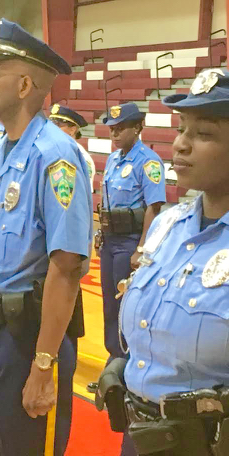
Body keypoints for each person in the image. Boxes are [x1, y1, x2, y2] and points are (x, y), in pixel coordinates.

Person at [0, 18, 92, 456]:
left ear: (23, 86)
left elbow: (67, 265)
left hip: (23, 341)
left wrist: (43, 364)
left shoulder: (55, 156)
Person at [95, 69, 229, 456]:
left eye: (204, 134)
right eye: (182, 129)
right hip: (140, 439)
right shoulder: (166, 227)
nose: (181, 145)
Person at [97, 102, 166, 363]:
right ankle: (114, 359)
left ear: (138, 128)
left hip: (130, 241)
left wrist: (141, 248)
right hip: (110, 239)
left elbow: (154, 207)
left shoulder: (148, 161)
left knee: (126, 304)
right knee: (109, 303)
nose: (115, 134)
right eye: (112, 129)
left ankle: (128, 360)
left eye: (121, 128)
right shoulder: (114, 159)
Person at [49, 104, 96, 193]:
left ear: (72, 129)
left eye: (58, 124)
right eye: (51, 124)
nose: (53, 128)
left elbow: (81, 193)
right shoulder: (51, 152)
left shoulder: (82, 158)